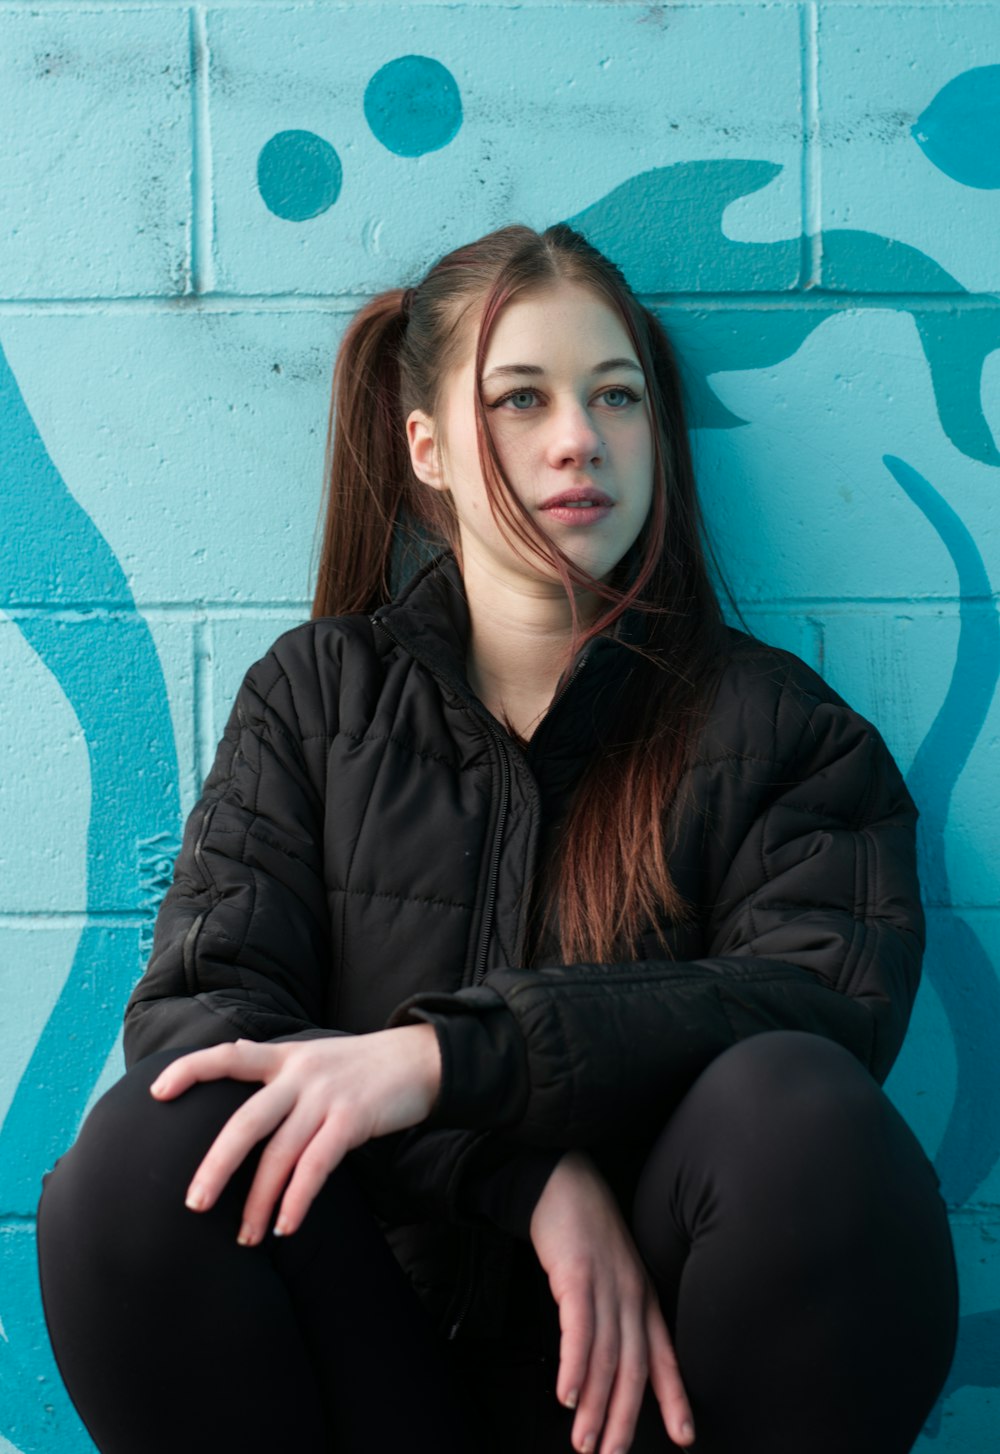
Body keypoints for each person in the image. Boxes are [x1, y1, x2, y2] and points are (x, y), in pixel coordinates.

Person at [36, 223, 959, 1454]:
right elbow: (204, 1018)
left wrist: (448, 1059)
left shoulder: (780, 727)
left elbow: (824, 1000)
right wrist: (515, 1171)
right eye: (519, 398)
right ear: (426, 447)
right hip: (369, 1369)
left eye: (614, 395)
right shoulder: (315, 699)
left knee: (799, 1108)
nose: (577, 438)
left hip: (659, 1391)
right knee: (148, 1151)